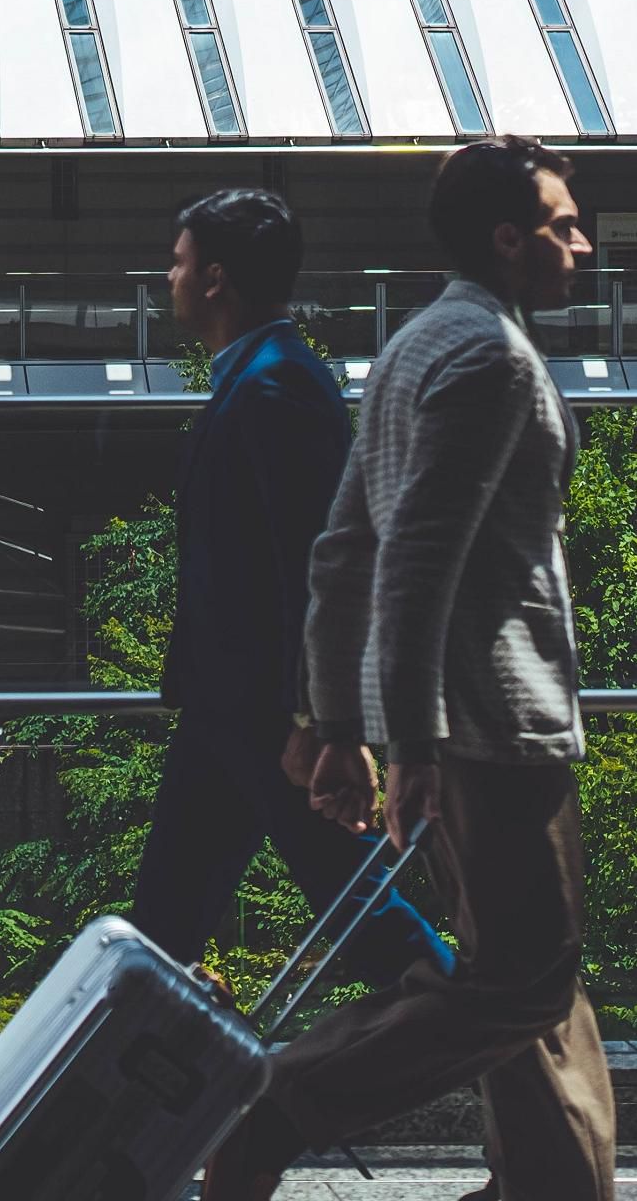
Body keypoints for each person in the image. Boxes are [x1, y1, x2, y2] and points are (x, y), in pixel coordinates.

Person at [221, 137, 613, 1201]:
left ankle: (547, 1188)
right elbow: (416, 567)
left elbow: (344, 550)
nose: (582, 240)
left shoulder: (411, 347)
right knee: (521, 979)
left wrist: (336, 714)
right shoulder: (488, 357)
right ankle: (270, 1101)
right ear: (508, 238)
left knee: (531, 976)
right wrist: (410, 746)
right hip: (495, 725)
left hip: (465, 725)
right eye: (563, 222)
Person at [131, 188, 452, 983]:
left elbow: (318, 565)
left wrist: (318, 720)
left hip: (266, 724)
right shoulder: (258, 379)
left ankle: (479, 1034)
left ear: (214, 279)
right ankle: (120, 1088)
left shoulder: (275, 387)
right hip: (229, 715)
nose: (165, 278)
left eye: (177, 263)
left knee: (362, 916)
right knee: (160, 934)